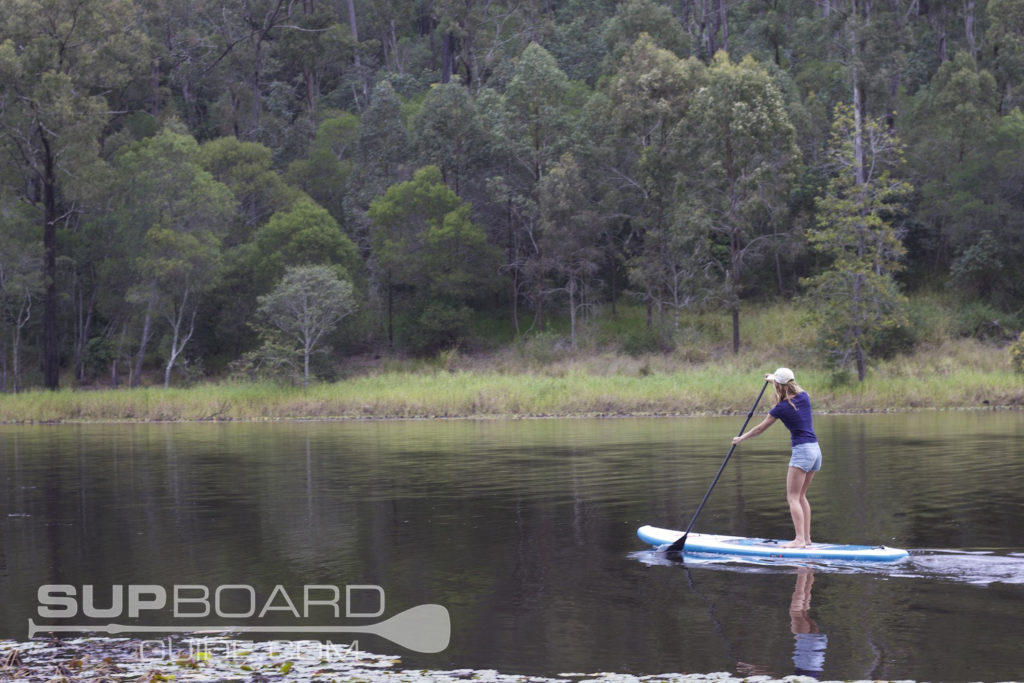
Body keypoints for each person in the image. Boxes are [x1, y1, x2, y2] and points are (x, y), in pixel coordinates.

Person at [731, 367, 821, 548]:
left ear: (779, 387)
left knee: (793, 497)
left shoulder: (780, 409)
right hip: (815, 451)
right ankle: (807, 539)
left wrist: (741, 439)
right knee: (801, 495)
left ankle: (799, 540)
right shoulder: (804, 396)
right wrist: (773, 379)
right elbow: (787, 384)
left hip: (802, 451)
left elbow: (760, 429)